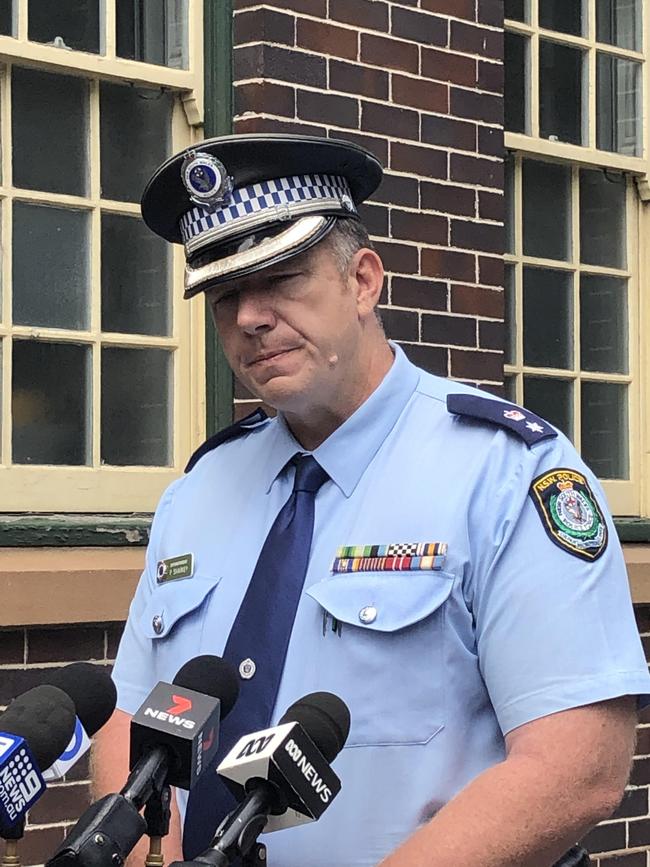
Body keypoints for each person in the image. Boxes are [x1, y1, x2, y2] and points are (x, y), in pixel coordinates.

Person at [95, 133, 650, 867]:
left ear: (363, 281)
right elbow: (126, 718)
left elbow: (577, 765)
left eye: (282, 278)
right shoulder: (197, 492)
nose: (251, 317)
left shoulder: (507, 472)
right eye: (226, 295)